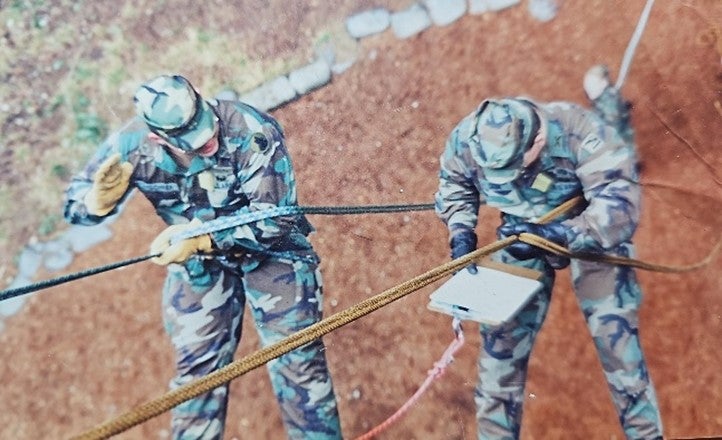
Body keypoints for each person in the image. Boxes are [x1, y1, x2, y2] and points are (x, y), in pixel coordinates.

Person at [64, 74, 342, 440]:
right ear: (157, 138)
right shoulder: (132, 145)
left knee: (297, 364)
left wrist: (203, 239)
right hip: (201, 269)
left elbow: (277, 220)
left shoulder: (251, 129)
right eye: (192, 140)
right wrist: (96, 202)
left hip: (270, 255)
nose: (208, 140)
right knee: (196, 381)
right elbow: (74, 203)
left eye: (205, 127)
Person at [434, 65, 663, 440]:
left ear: (537, 142)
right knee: (498, 361)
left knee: (621, 354)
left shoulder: (579, 131)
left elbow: (621, 207)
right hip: (522, 238)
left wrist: (558, 234)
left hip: (589, 229)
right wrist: (460, 232)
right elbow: (455, 182)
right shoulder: (471, 137)